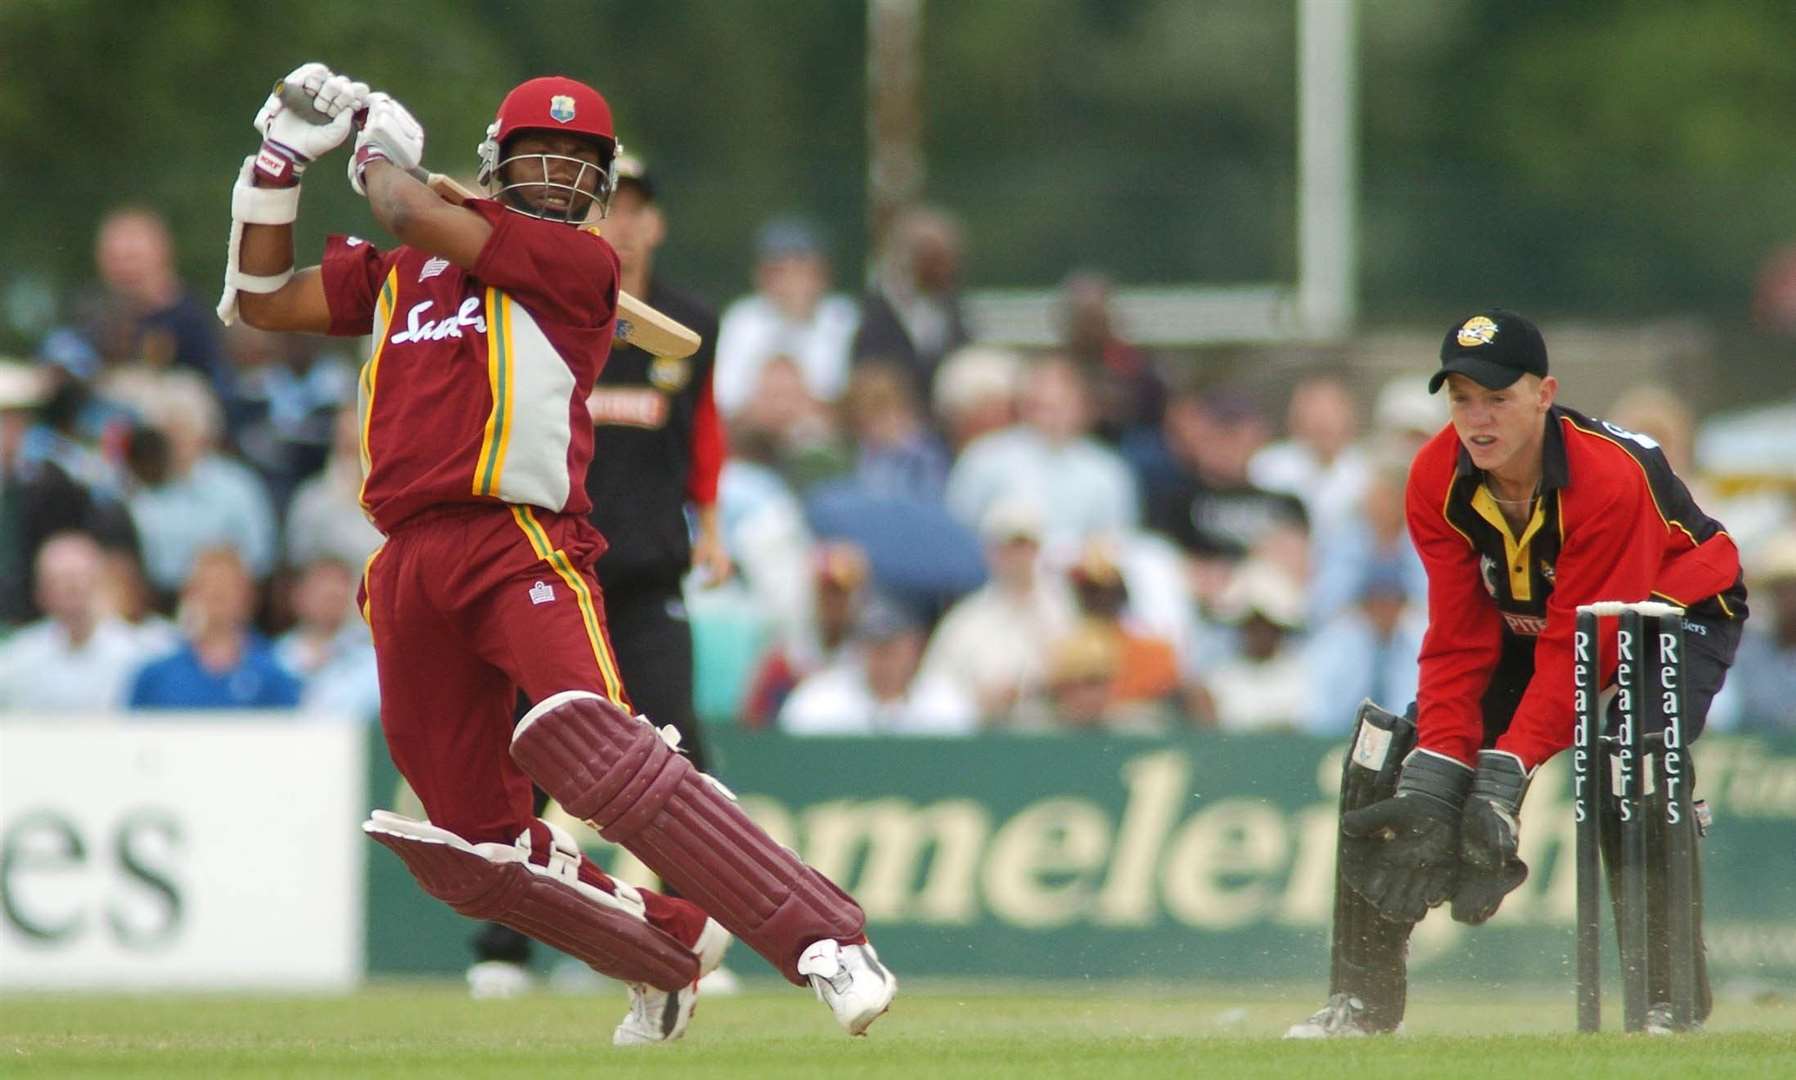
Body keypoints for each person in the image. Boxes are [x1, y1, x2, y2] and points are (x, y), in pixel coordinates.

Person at [225, 64, 894, 1044]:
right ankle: (661, 952)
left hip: (518, 543)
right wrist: (278, 164)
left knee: (601, 754)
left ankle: (825, 942)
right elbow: (260, 300)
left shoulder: (575, 267)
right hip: (406, 558)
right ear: (497, 161)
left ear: (603, 186)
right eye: (538, 156)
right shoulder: (400, 271)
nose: (557, 178)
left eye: (580, 165)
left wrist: (372, 138)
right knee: (468, 837)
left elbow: (408, 209)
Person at [1288, 309, 1746, 1039]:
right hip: (1533, 625)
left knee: (1634, 757)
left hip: (1669, 609)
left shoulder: (1608, 475)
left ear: (1545, 394)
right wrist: (1439, 765)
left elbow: (1585, 644)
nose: (1479, 417)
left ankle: (1668, 1003)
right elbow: (1458, 639)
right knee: (1392, 760)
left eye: (1498, 397)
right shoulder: (1435, 474)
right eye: (1463, 399)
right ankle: (1361, 1006)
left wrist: (1508, 769)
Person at [466, 152, 732, 997]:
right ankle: (503, 952)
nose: (623, 221)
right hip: (554, 573)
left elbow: (703, 432)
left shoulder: (688, 322)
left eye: (638, 208)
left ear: (655, 223)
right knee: (531, 756)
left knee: (680, 761)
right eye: (611, 206)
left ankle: (692, 945)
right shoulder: (550, 309)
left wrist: (714, 523)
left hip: (649, 576)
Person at [126, 546, 303, 710]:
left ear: (248, 596)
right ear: (189, 594)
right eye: (209, 587)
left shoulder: (276, 674)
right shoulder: (155, 677)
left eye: (227, 587)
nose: (217, 596)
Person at [0, 531, 151, 714]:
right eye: (59, 581)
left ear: (101, 582)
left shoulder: (140, 654)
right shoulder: (17, 657)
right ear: (40, 591)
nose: (71, 590)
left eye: (79, 580)